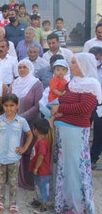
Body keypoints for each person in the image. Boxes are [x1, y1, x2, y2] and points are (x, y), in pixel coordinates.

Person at [50, 53, 98, 214]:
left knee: (75, 169)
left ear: (84, 65)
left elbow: (84, 108)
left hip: (75, 131)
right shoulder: (72, 83)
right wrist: (60, 111)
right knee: (66, 169)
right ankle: (67, 204)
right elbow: (64, 100)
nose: (70, 66)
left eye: (74, 63)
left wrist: (60, 110)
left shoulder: (91, 84)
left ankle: (79, 206)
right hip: (63, 129)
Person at [0, 94, 33, 213]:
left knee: (13, 181)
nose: (9, 108)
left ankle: (13, 203)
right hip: (0, 156)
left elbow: (30, 135)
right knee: (1, 181)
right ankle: (0, 201)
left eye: (12, 105)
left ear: (17, 106)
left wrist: (24, 148)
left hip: (14, 157)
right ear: (3, 106)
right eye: (6, 105)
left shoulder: (21, 121)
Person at [9, 59, 44, 190]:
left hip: (29, 124)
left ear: (30, 68)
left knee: (28, 151)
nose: (22, 70)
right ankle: (15, 178)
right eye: (20, 67)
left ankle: (28, 180)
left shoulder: (36, 84)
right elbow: (8, 100)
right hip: (14, 124)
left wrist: (21, 118)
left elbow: (37, 106)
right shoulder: (14, 83)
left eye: (25, 67)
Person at [28, 118, 51, 213]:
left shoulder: (42, 142)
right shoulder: (40, 140)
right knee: (37, 186)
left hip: (42, 170)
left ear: (36, 130)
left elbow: (41, 156)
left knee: (42, 187)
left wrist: (36, 167)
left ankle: (44, 205)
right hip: (38, 170)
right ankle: (39, 200)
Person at [89, 46, 102, 169]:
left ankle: (93, 157)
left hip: (100, 104)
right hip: (88, 102)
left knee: (99, 132)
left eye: (97, 57)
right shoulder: (87, 70)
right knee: (85, 128)